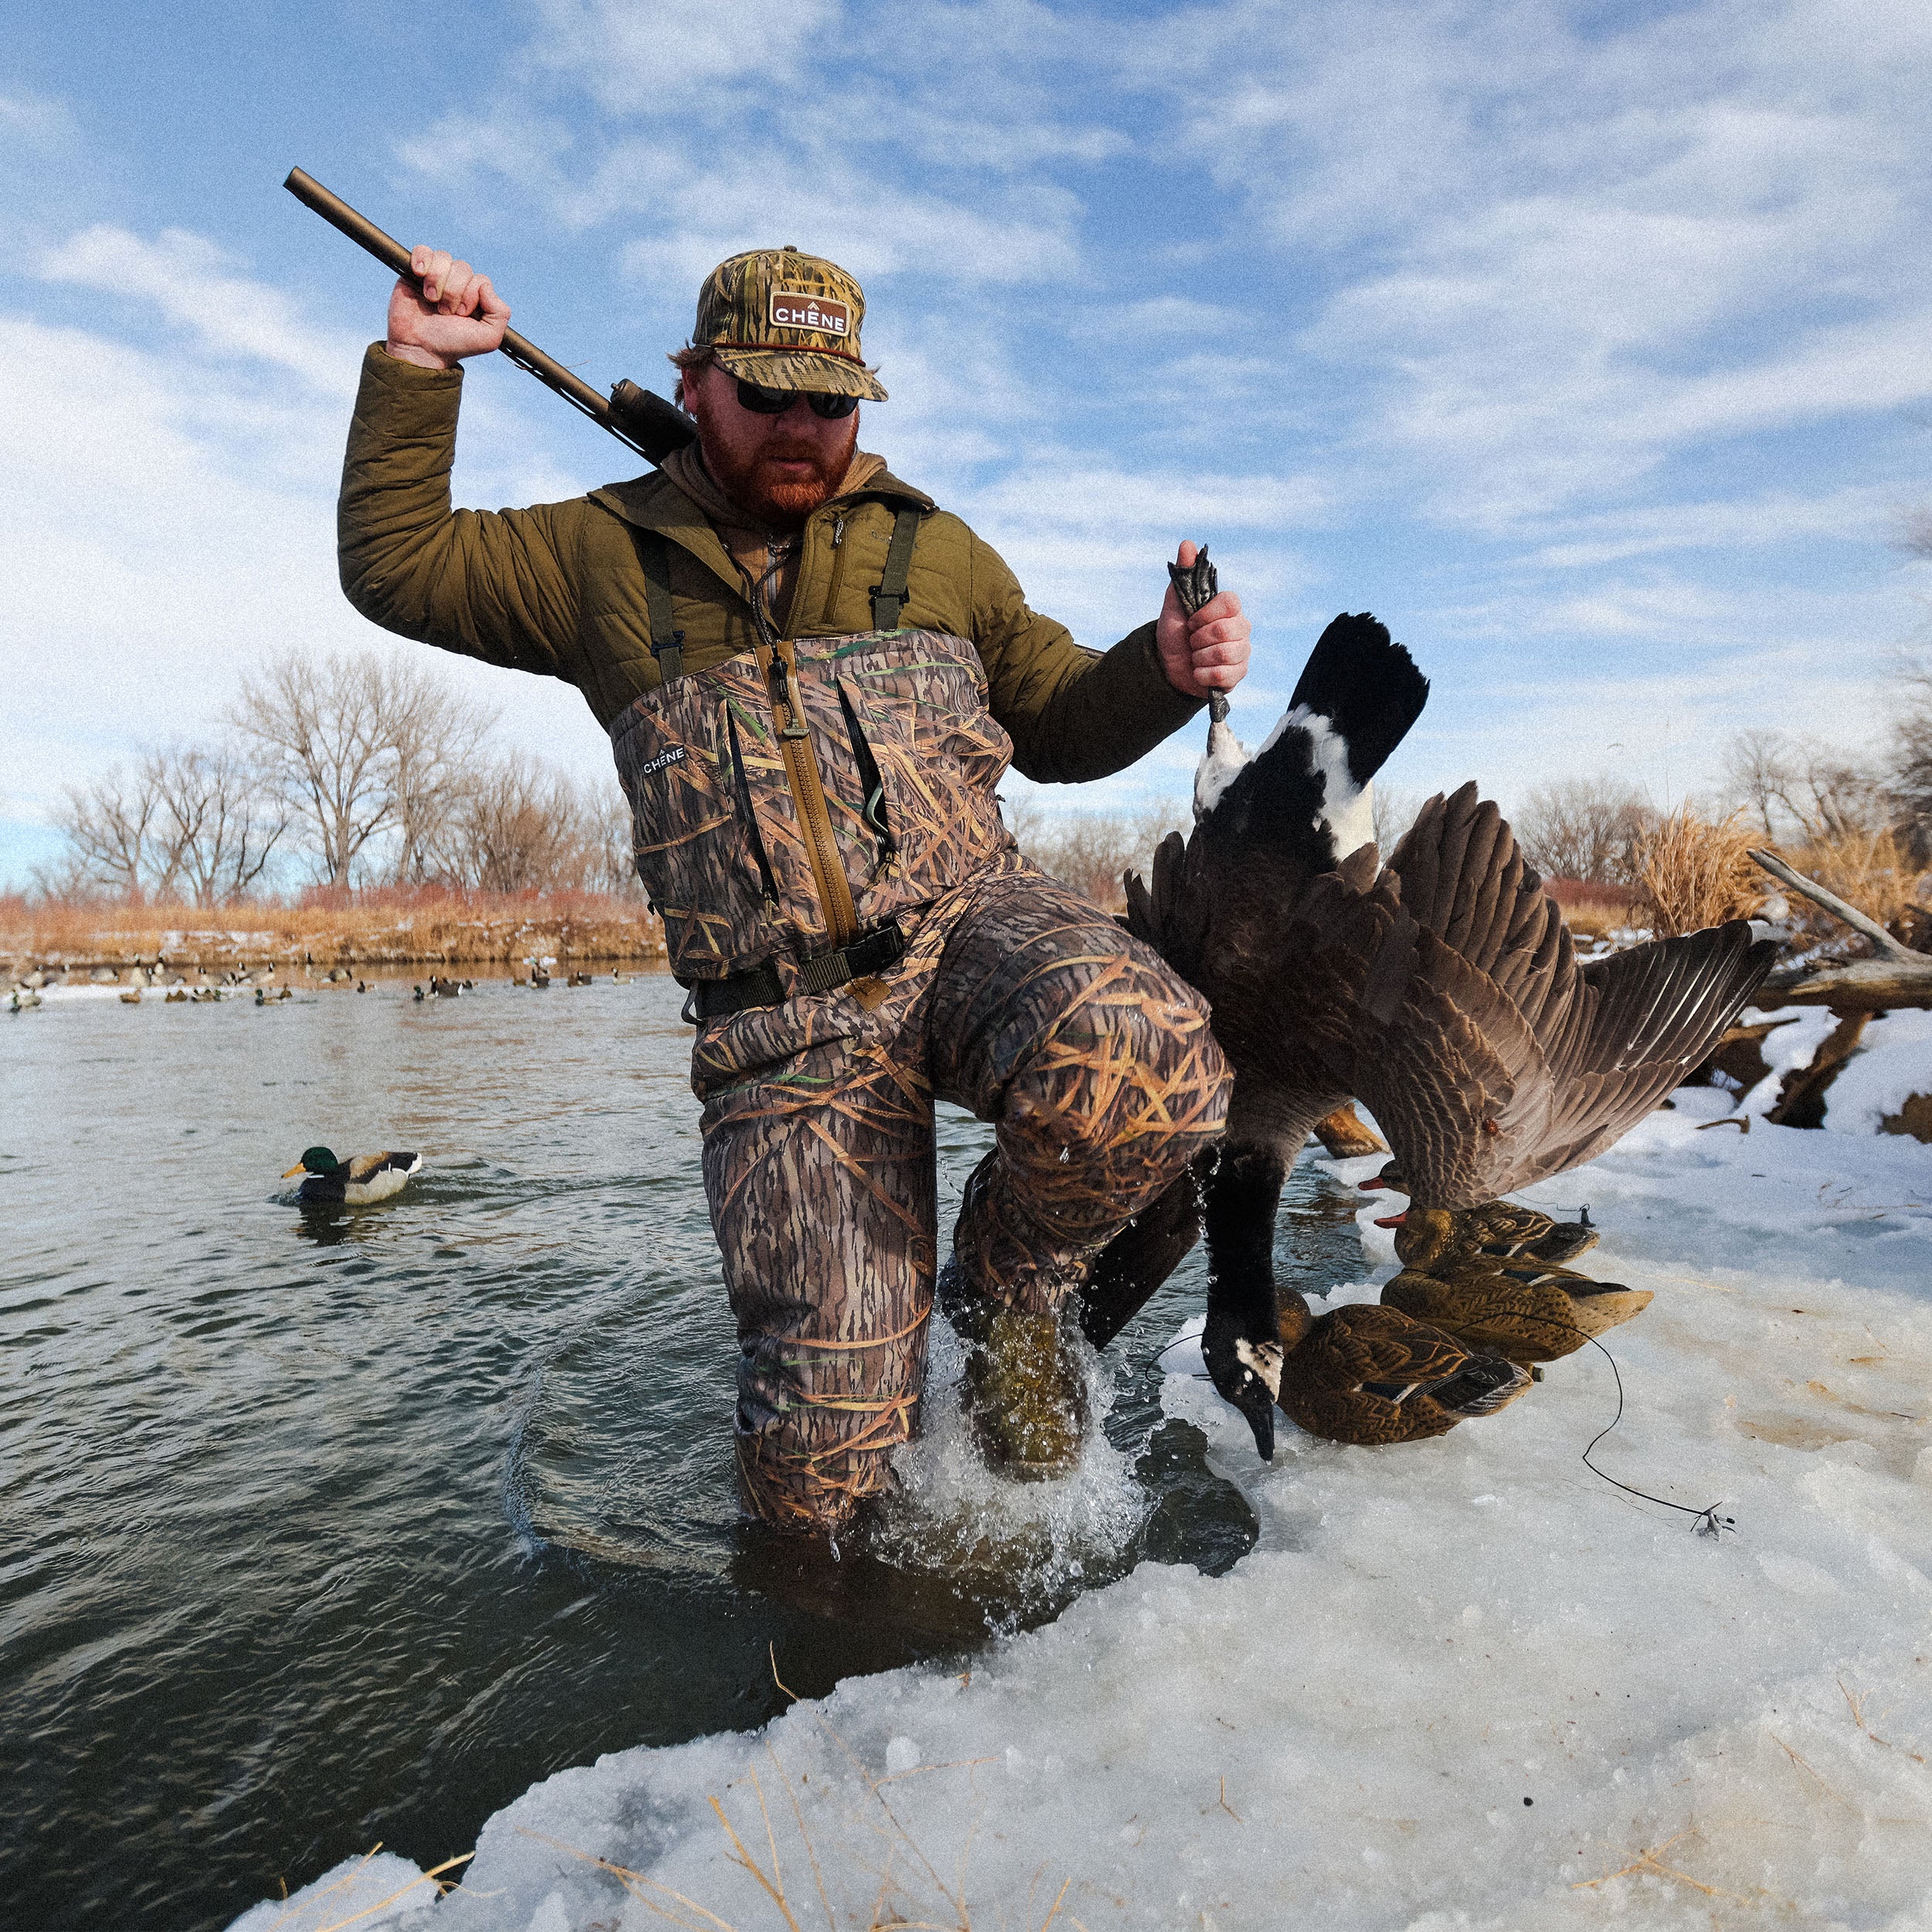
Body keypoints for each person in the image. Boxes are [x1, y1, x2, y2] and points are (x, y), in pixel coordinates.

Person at [338, 240, 1251, 1532]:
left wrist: (1157, 668)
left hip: (969, 932)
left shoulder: (939, 553)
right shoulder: (596, 557)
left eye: (831, 401)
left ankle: (1010, 1294)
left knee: (1150, 1052)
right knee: (818, 1483)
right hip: (784, 1029)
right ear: (697, 382)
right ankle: (822, 1673)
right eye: (766, 394)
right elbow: (399, 565)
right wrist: (420, 368)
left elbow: (1054, 722)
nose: (802, 427)